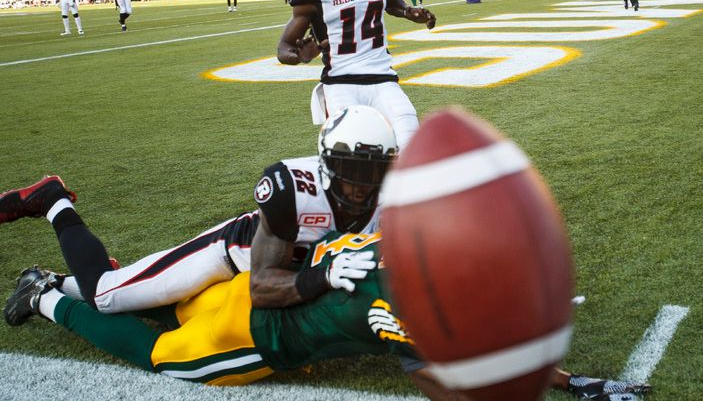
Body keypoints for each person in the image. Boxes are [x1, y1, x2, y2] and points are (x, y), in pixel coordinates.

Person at [4, 230, 650, 399]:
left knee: (160, 302)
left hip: (244, 287)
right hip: (250, 338)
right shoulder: (412, 308)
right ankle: (49, 297)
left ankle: (63, 282)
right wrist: (559, 381)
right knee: (160, 355)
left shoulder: (406, 239)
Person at [0, 105, 397, 315]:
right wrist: (324, 276)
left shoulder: (398, 198)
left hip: (283, 270)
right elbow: (262, 286)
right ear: (327, 165)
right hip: (225, 257)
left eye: (373, 173)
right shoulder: (293, 187)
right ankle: (53, 200)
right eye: (352, 172)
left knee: (152, 306)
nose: (362, 187)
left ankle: (49, 283)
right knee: (105, 295)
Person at [277, 0, 436, 150]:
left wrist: (407, 11)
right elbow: (284, 48)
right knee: (350, 153)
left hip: (383, 78)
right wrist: (300, 56)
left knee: (411, 143)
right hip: (340, 83)